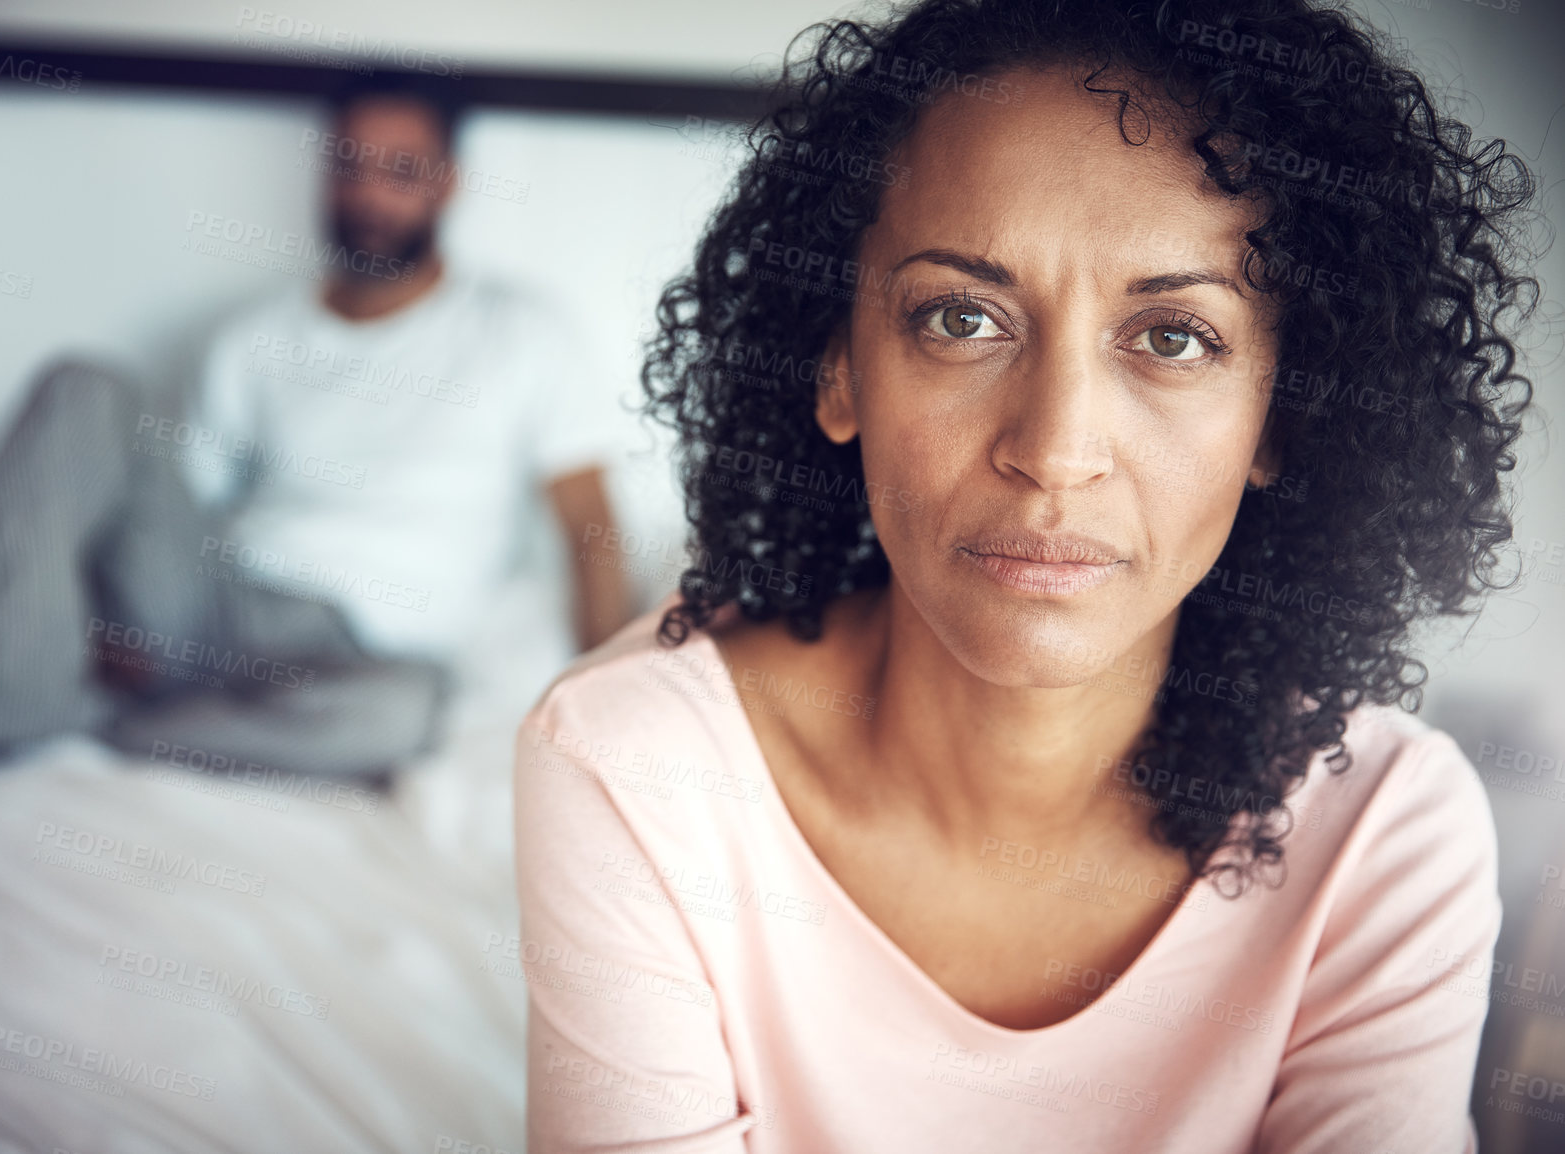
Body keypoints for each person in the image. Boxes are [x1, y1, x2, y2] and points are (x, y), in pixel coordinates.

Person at [513, 1, 1536, 1150]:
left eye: (1173, 337)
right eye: (961, 318)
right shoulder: (638, 766)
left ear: (1277, 420)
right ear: (837, 366)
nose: (1054, 449)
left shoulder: (1384, 829)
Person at [0, 76, 633, 813]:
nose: (367, 195)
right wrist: (115, 614)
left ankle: (59, 723)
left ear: (446, 182)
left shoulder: (522, 332)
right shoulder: (255, 338)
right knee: (83, 386)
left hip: (363, 653)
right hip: (218, 600)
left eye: (400, 169)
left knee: (395, 719)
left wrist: (608, 704)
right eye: (349, 166)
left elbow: (589, 529)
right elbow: (180, 500)